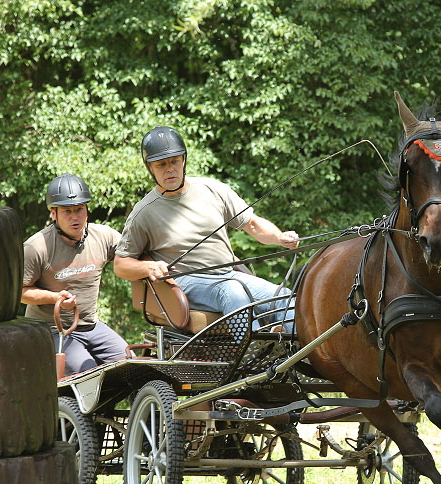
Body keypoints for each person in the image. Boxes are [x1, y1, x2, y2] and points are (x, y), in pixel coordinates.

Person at [114, 126, 299, 332]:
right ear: (150, 168)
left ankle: (300, 356)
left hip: (228, 274)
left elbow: (252, 224)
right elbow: (121, 265)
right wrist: (148, 268)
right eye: (161, 164)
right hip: (186, 282)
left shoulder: (213, 189)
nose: (170, 169)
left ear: (184, 160)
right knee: (232, 291)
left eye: (175, 161)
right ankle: (255, 352)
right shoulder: (143, 213)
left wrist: (280, 237)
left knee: (285, 297)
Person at [22, 173, 129, 375]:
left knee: (131, 366)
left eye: (79, 209)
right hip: (52, 331)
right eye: (67, 211)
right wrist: (54, 298)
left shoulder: (104, 236)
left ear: (87, 210)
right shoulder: (37, 247)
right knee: (88, 372)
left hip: (91, 326)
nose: (75, 217)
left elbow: (132, 255)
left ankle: (140, 406)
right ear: (53, 213)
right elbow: (19, 292)